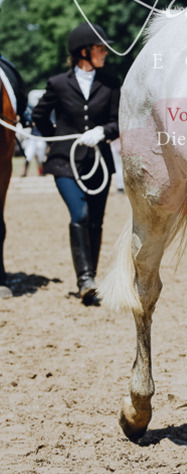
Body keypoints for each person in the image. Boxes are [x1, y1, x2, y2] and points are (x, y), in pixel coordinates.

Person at [32, 22, 120, 304]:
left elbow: (119, 121)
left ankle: (90, 280)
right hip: (64, 163)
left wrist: (103, 131)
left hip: (99, 163)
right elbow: (39, 116)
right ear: (84, 52)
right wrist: (57, 139)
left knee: (95, 221)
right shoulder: (58, 84)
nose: (105, 52)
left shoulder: (111, 84)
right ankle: (84, 279)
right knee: (79, 214)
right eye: (100, 48)